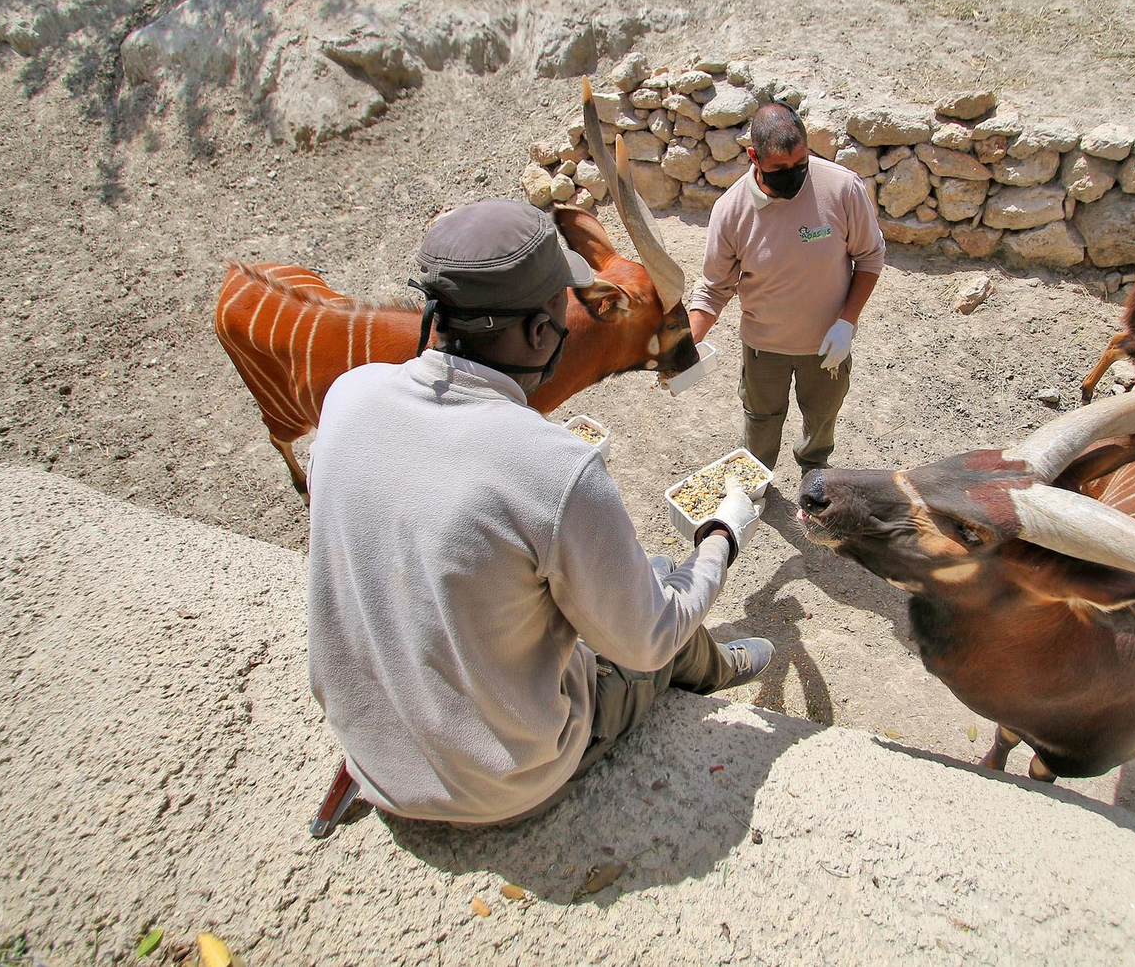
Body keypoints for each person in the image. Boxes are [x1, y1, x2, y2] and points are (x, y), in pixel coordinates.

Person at [306, 199, 774, 826]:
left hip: (372, 754)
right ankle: (716, 669)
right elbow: (646, 640)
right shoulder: (556, 466)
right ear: (536, 332)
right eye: (563, 312)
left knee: (627, 577)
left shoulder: (348, 394)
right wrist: (722, 534)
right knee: (664, 604)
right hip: (500, 787)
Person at [688, 102, 887, 474]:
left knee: (823, 417)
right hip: (764, 349)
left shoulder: (842, 188)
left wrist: (847, 323)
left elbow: (870, 259)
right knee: (761, 421)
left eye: (801, 164)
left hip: (827, 345)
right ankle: (756, 481)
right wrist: (685, 346)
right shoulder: (730, 210)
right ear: (754, 157)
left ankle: (814, 472)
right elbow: (714, 288)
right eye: (780, 168)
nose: (793, 176)